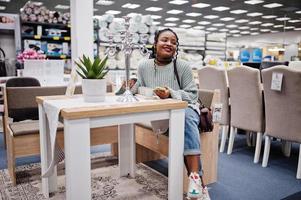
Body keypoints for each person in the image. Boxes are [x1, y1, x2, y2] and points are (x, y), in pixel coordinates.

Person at [131, 28, 210, 200]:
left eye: (173, 42)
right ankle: (201, 188)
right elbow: (139, 88)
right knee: (181, 121)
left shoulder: (182, 66)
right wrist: (129, 86)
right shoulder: (144, 66)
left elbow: (193, 95)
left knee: (185, 116)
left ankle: (195, 177)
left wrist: (171, 93)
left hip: (187, 111)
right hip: (162, 116)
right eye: (164, 40)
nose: (169, 44)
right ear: (155, 44)